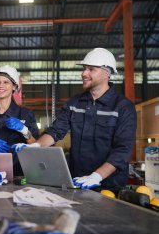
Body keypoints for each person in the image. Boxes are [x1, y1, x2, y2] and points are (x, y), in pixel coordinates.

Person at [13, 48, 137, 190]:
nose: (84, 73)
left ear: (106, 73)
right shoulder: (75, 103)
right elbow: (56, 131)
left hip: (109, 185)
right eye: (84, 69)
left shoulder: (123, 107)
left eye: (91, 69)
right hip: (76, 181)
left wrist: (97, 176)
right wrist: (36, 146)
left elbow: (123, 150)